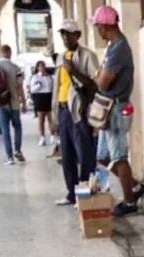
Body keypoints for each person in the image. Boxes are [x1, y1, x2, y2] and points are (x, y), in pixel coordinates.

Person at [67, 6, 144, 216]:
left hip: (116, 107)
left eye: (97, 26)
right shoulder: (113, 47)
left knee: (119, 156)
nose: (96, 30)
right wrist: (99, 76)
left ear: (104, 26)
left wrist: (97, 76)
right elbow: (101, 78)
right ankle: (135, 187)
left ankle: (129, 202)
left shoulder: (119, 48)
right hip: (108, 108)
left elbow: (102, 82)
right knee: (103, 158)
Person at [50, 19, 100, 206]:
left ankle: (85, 194)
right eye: (62, 34)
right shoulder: (60, 58)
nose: (65, 37)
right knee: (67, 155)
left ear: (78, 35)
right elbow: (57, 87)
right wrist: (54, 115)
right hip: (63, 109)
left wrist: (74, 71)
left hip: (79, 110)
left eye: (69, 33)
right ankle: (72, 193)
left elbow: (95, 85)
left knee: (84, 154)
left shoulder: (87, 56)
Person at [0, 45, 27, 166]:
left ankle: (9, 157)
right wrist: (23, 102)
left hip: (1, 103)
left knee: (5, 130)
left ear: (1, 52)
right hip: (14, 102)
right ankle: (17, 150)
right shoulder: (16, 68)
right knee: (17, 126)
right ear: (10, 53)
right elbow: (19, 86)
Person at [29, 62, 55, 146]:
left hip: (48, 96)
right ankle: (42, 137)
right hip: (40, 97)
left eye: (44, 65)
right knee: (41, 119)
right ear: (37, 68)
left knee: (51, 118)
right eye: (41, 66)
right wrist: (38, 86)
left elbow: (52, 87)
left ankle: (53, 136)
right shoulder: (35, 77)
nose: (43, 67)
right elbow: (32, 90)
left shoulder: (49, 76)